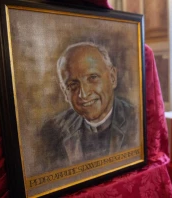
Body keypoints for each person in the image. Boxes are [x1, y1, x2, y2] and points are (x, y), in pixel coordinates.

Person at [37, 42, 138, 173]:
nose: (83, 94)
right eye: (73, 85)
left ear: (112, 77)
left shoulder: (137, 120)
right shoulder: (52, 132)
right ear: (64, 91)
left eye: (92, 78)